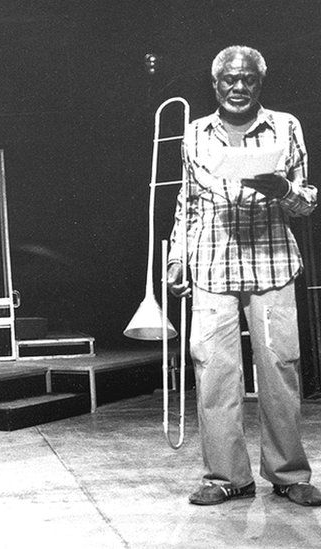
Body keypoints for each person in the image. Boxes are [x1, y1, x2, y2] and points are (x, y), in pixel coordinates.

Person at [167, 45, 321, 507]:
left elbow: (308, 201)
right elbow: (188, 203)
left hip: (272, 263)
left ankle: (288, 473)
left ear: (259, 83)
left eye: (247, 79)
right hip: (213, 265)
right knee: (214, 372)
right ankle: (225, 476)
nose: (238, 87)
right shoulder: (194, 133)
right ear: (215, 85)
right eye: (229, 80)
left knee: (280, 369)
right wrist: (178, 257)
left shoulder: (285, 126)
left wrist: (285, 189)